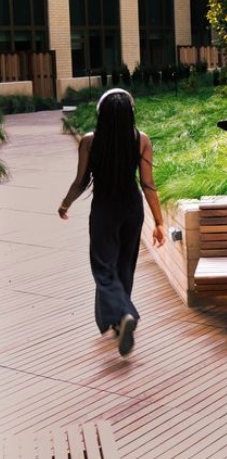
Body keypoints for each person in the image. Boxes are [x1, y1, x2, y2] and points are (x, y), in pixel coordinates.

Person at [58, 88, 166, 356]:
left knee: (104, 268)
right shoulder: (141, 140)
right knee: (124, 266)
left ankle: (124, 313)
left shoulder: (89, 142)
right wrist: (159, 222)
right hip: (132, 208)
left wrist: (65, 204)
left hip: (105, 209)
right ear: (131, 113)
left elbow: (81, 181)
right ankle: (119, 322)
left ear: (101, 114)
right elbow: (148, 184)